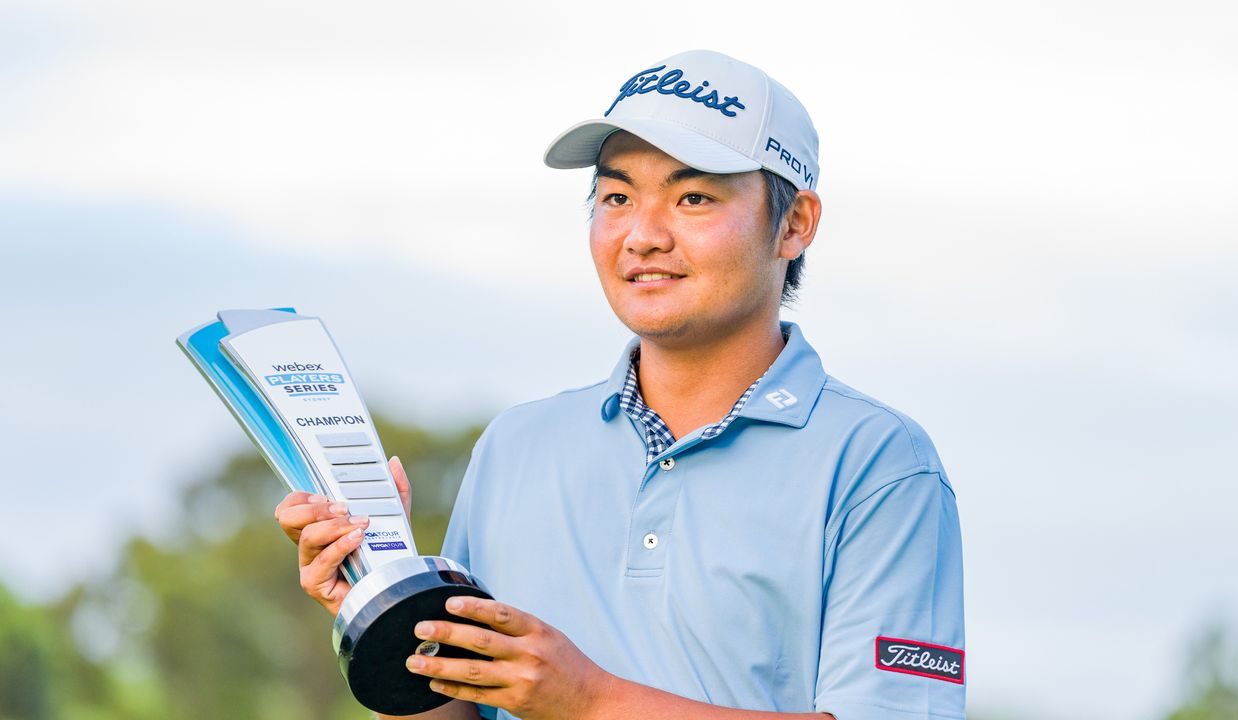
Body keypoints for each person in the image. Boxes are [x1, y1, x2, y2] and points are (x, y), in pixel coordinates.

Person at [276, 49, 965, 720]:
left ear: (794, 224)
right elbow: (460, 705)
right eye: (615, 195)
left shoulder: (880, 463)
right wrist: (382, 608)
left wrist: (587, 702)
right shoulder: (517, 445)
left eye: (693, 196)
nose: (641, 235)